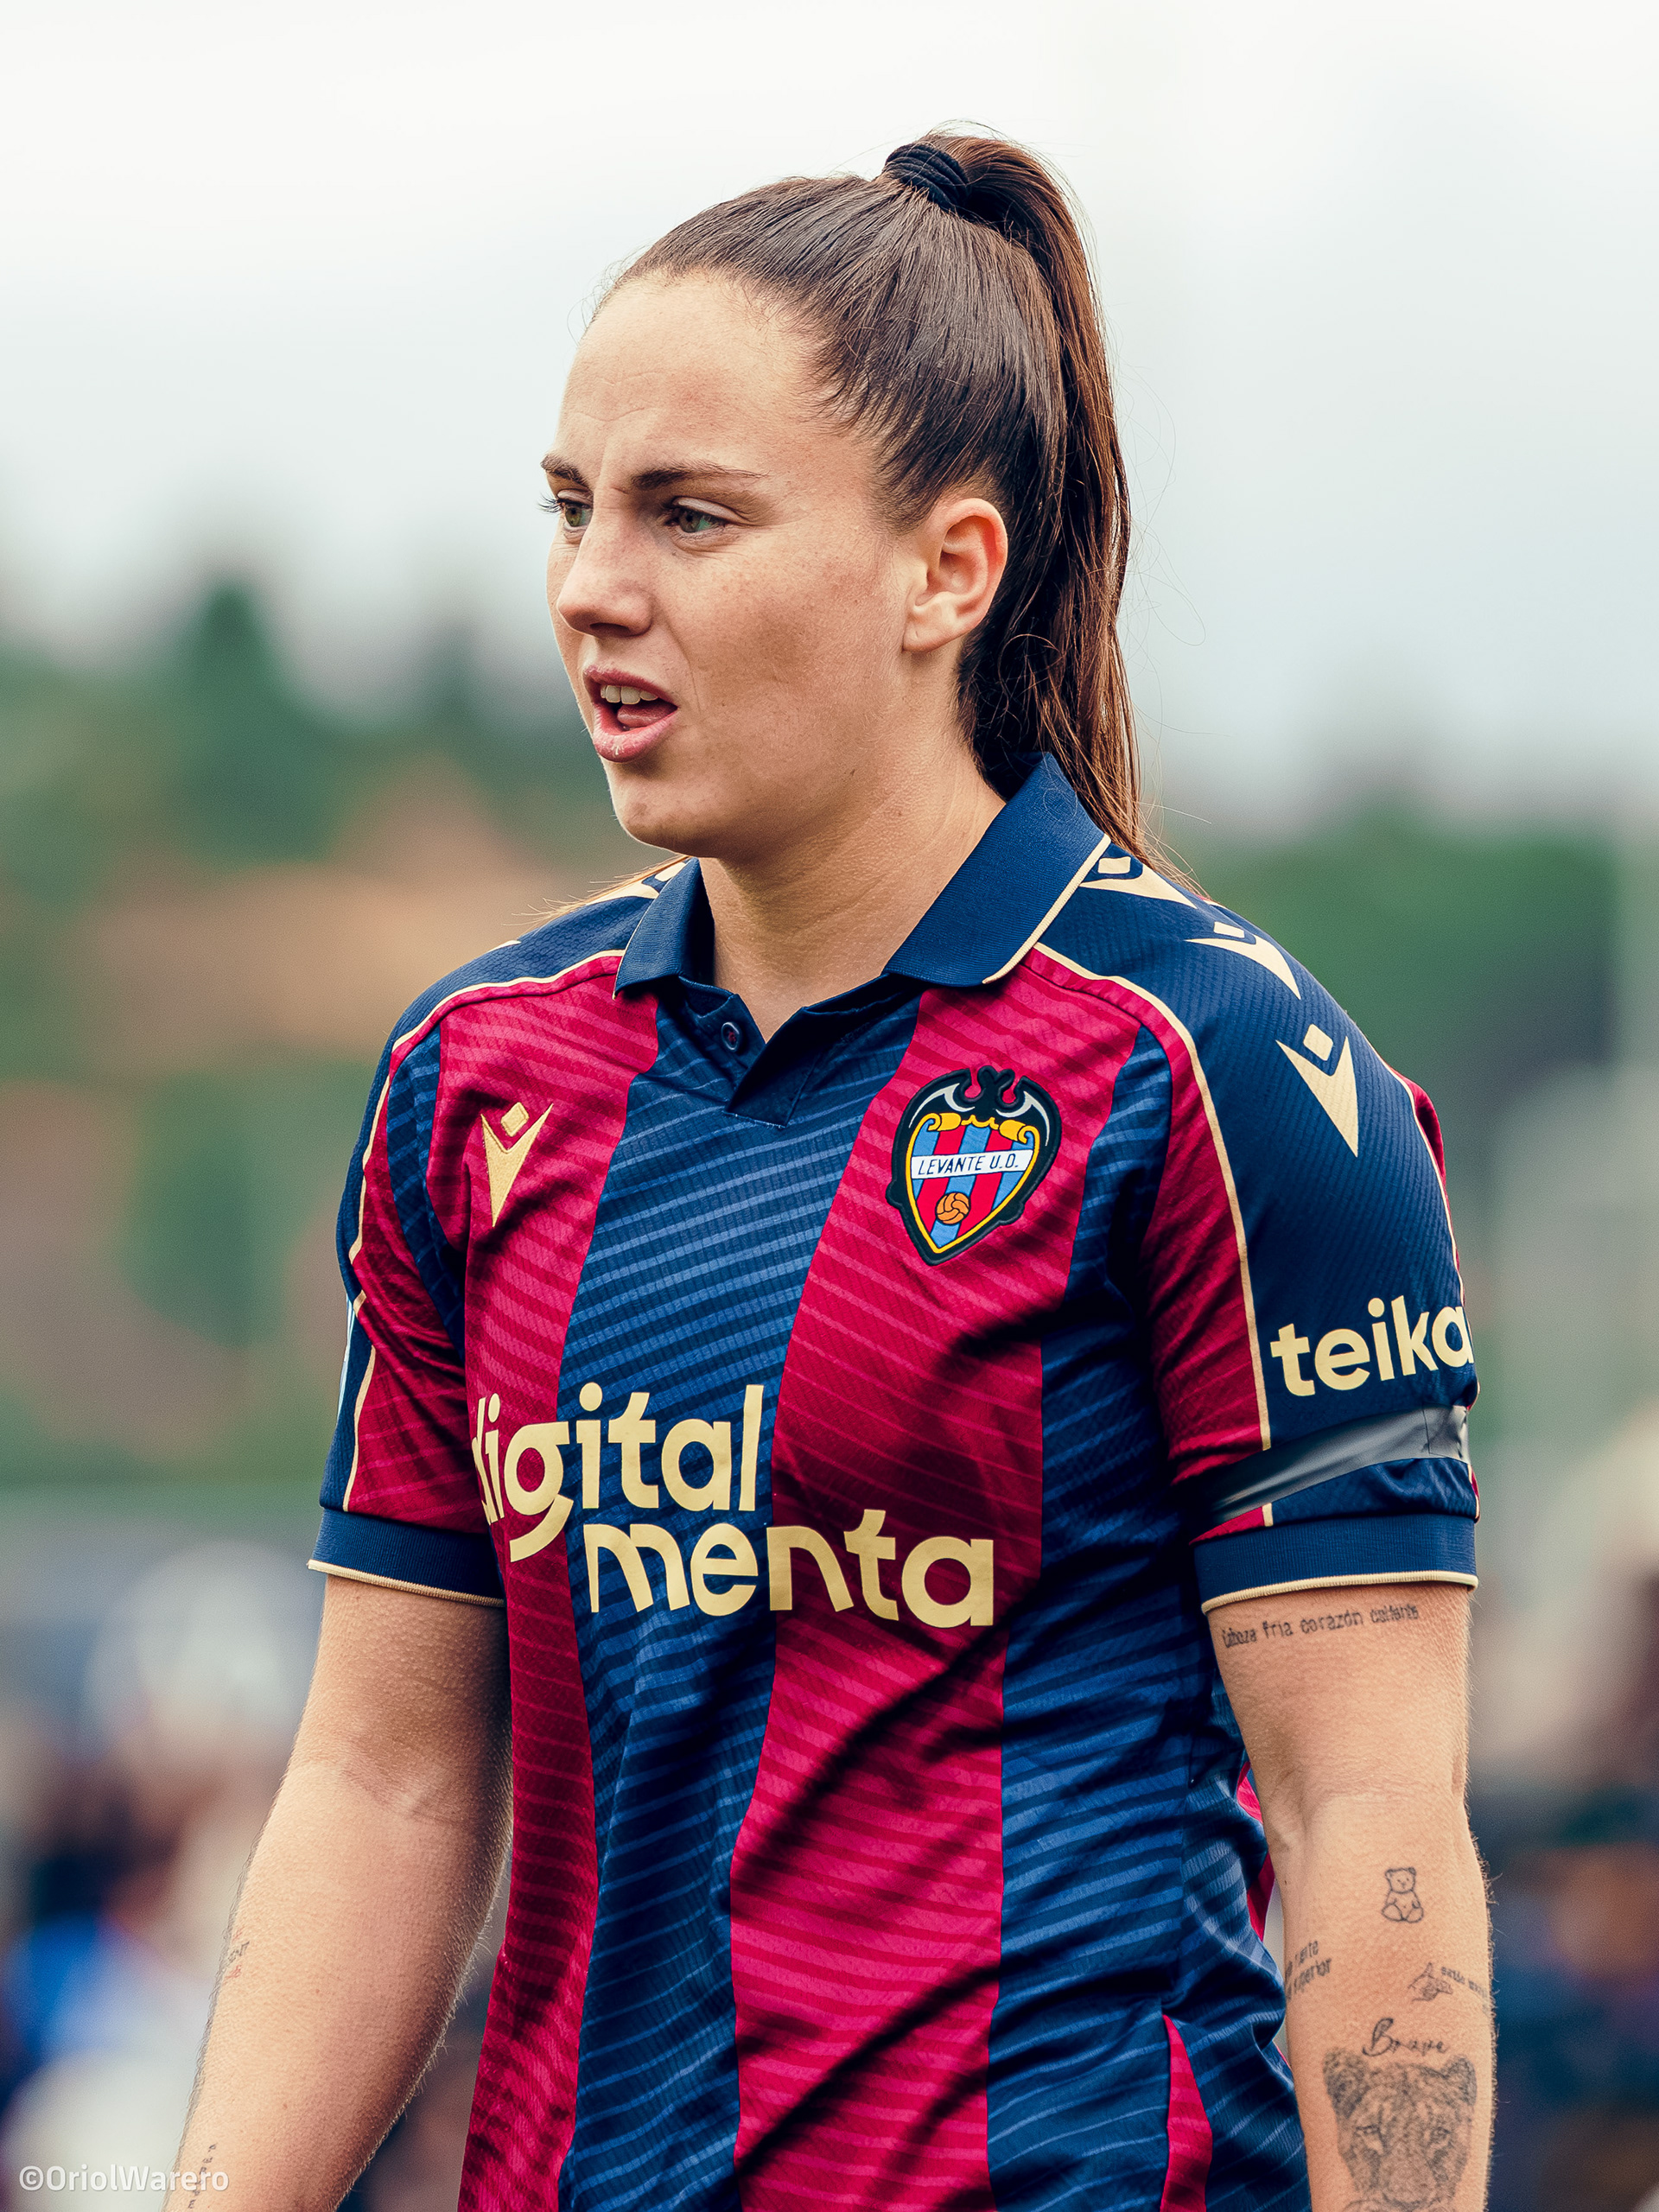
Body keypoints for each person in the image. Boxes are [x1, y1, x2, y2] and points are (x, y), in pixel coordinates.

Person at [171, 135, 1491, 2212]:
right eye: (573, 507)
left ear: (946, 571)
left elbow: (1372, 1828)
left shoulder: (1221, 1065)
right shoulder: (474, 1075)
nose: (595, 585)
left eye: (691, 514)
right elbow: (383, 1780)